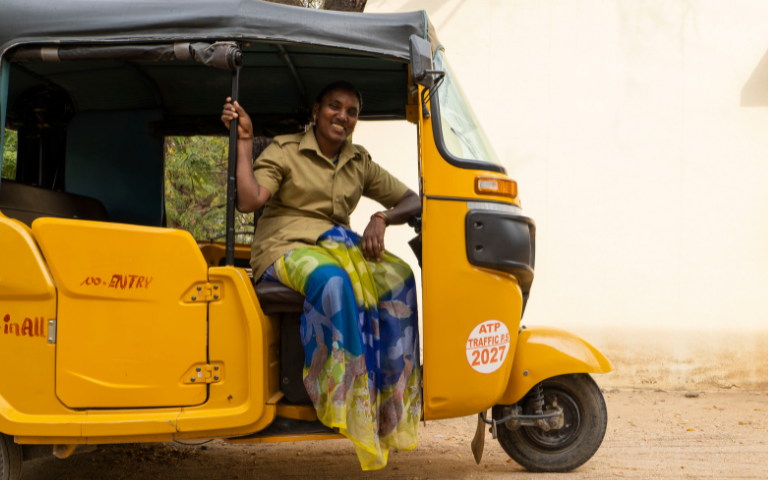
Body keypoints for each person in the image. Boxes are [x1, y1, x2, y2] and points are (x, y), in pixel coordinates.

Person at [221, 81, 421, 470]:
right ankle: (340, 398)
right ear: (316, 110)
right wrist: (244, 140)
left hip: (339, 246)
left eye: (351, 112)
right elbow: (249, 200)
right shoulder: (286, 150)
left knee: (399, 277)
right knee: (332, 280)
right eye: (335, 106)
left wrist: (382, 217)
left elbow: (410, 200)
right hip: (285, 247)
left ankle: (387, 399)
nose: (342, 116)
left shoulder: (358, 161)